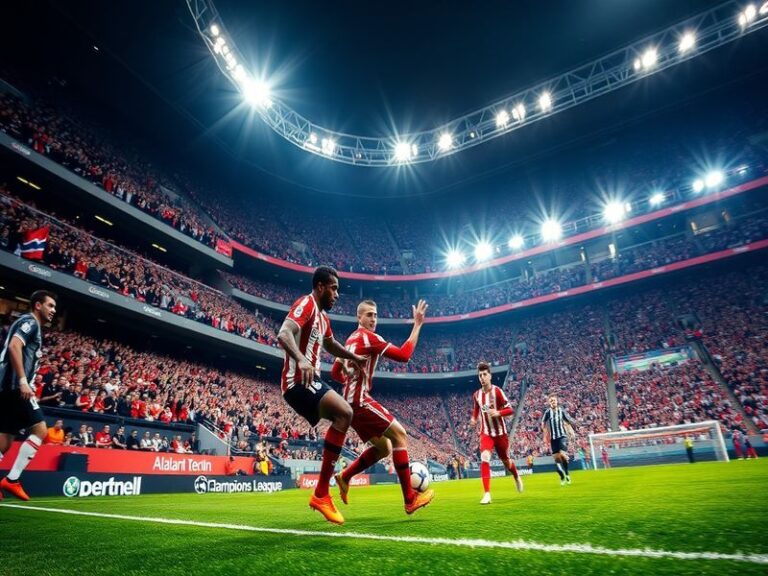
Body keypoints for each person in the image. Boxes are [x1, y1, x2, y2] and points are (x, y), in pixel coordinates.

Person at [277, 266, 367, 525]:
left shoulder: (322, 318)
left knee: (344, 415)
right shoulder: (305, 304)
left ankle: (321, 493)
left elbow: (330, 344)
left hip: (310, 381)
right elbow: (284, 333)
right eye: (334, 288)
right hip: (297, 382)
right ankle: (321, 494)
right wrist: (301, 360)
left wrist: (352, 357)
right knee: (345, 413)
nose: (337, 294)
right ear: (320, 287)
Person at [330, 299, 434, 515]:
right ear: (359, 317)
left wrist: (347, 376)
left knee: (384, 448)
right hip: (359, 401)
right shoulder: (369, 338)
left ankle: (345, 476)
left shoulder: (350, 339)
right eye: (369, 315)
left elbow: (334, 373)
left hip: (349, 402)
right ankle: (409, 499)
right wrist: (418, 324)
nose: (373, 319)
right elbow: (404, 355)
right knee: (400, 435)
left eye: (375, 315)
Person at [0, 290, 58, 501]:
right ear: (37, 305)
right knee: (41, 430)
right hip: (15, 386)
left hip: (7, 387)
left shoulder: (35, 327)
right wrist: (24, 382)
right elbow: (15, 346)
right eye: (50, 306)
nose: (53, 311)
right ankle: (12, 479)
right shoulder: (30, 322)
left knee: (5, 440)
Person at [470, 362, 523, 504]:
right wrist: (474, 419)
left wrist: (498, 413)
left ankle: (516, 477)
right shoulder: (477, 395)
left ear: (490, 376)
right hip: (486, 433)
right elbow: (476, 408)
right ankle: (487, 494)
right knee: (485, 457)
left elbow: (510, 409)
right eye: (480, 375)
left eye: (484, 374)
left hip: (500, 433)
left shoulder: (497, 392)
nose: (482, 377)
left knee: (506, 462)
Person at [541, 394, 577, 486]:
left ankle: (567, 474)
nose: (553, 402)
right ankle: (562, 476)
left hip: (562, 436)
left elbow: (568, 421)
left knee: (562, 454)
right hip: (553, 439)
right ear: (549, 403)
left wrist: (572, 431)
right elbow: (543, 422)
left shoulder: (561, 411)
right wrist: (544, 433)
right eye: (551, 401)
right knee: (557, 459)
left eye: (554, 400)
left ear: (557, 401)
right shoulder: (547, 412)